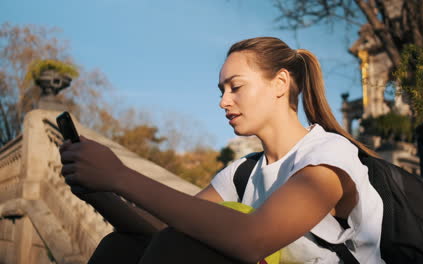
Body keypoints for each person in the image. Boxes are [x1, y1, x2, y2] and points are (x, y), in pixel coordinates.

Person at [59, 37, 384, 263]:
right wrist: (99, 190)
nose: (223, 101)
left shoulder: (327, 156)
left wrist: (120, 175)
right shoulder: (243, 173)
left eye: (236, 87)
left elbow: (251, 239)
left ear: (281, 83)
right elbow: (161, 228)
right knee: (122, 247)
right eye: (222, 90)